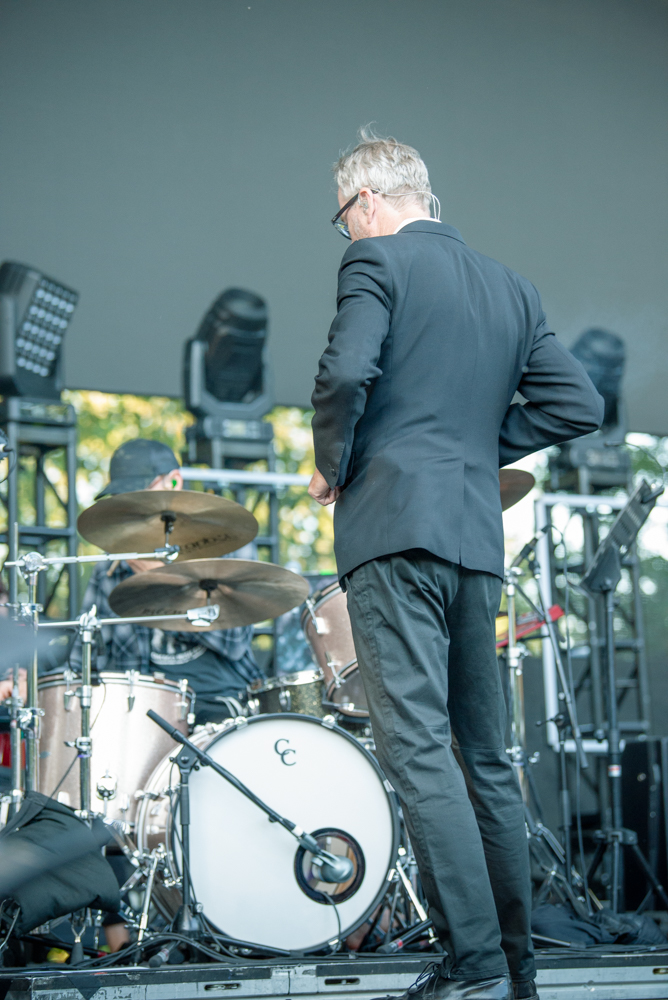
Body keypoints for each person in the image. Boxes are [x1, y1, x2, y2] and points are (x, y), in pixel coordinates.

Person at [309, 132, 603, 1000]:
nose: (347, 233)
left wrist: (338, 460)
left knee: (421, 754)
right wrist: (477, 446)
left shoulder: (376, 265)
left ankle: (472, 966)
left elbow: (345, 371)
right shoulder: (512, 286)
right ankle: (515, 969)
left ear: (365, 203)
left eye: (343, 218)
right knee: (487, 755)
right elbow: (576, 403)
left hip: (393, 532)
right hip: (475, 541)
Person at [69, 438, 262, 724]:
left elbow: (234, 641)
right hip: (138, 716)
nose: (131, 507)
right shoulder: (114, 562)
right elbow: (82, 661)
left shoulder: (228, 543)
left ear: (174, 481)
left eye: (140, 494)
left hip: (219, 707)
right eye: (122, 499)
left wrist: (161, 581)